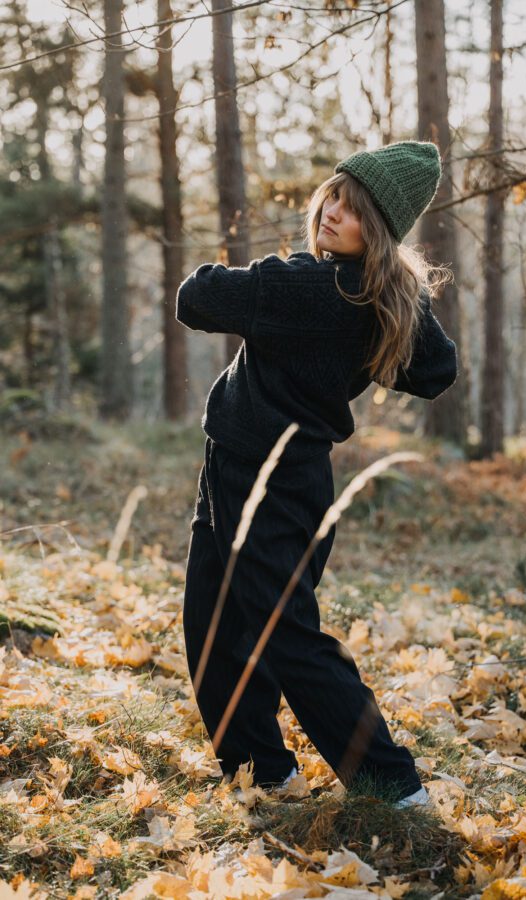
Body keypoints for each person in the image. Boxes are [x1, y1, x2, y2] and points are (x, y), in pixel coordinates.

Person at [176, 140, 458, 809]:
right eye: (334, 193)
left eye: (353, 209)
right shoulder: (375, 294)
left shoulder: (304, 283)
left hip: (267, 484)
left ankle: (394, 785)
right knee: (215, 624)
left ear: (378, 231)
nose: (332, 211)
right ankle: (262, 773)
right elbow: (434, 370)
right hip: (266, 473)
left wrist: (280, 285)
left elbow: (194, 297)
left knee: (285, 636)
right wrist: (391, 295)